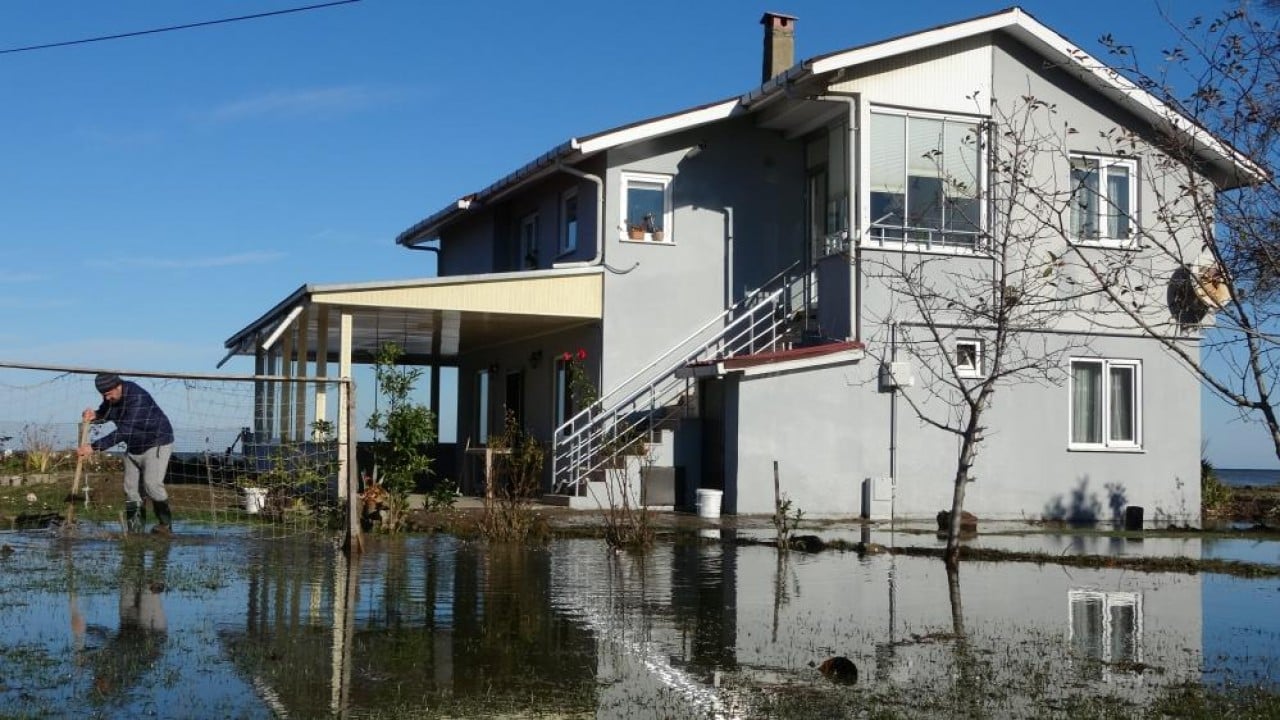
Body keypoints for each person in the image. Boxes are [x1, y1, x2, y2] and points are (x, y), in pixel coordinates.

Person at [78, 373, 175, 536]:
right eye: (103, 395)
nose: (106, 398)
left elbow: (125, 431)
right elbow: (107, 412)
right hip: (134, 445)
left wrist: (94, 447)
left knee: (152, 486)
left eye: (108, 394)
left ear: (118, 386)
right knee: (130, 489)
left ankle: (165, 525)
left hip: (157, 443)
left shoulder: (138, 398)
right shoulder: (112, 397)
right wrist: (95, 415)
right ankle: (135, 530)